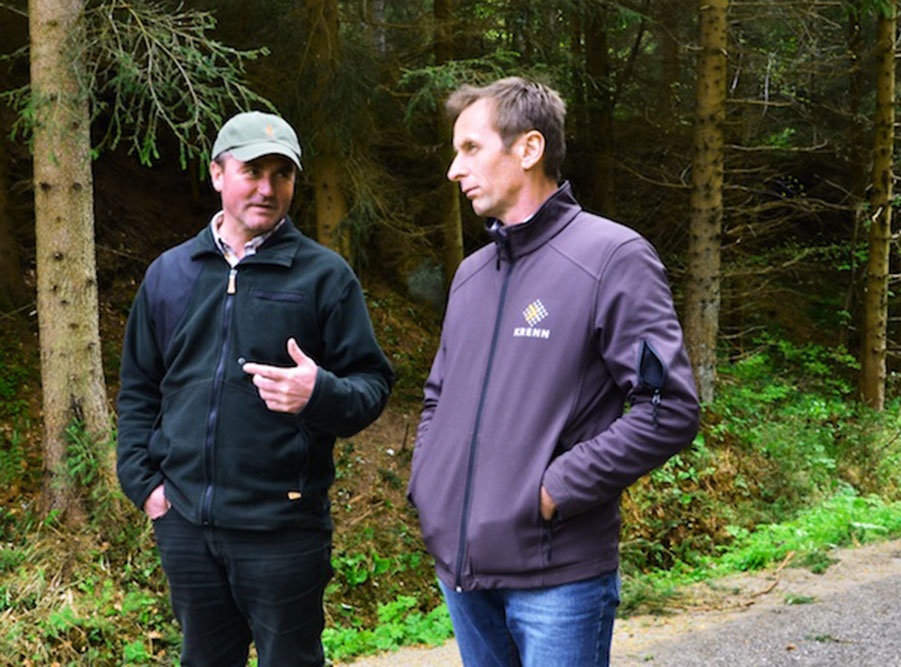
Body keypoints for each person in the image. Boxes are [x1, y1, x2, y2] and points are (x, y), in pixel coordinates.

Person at [407, 77, 700, 666]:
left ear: (529, 148)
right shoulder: (471, 275)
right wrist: (430, 484)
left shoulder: (611, 257)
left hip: (557, 578)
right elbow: (439, 395)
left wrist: (553, 490)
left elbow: (667, 407)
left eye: (470, 149)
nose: (453, 171)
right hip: (464, 572)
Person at [116, 111, 393, 666]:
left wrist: (318, 394)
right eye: (252, 171)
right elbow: (139, 388)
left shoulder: (324, 276)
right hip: (187, 524)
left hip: (283, 528)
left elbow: (372, 384)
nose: (267, 188)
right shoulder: (170, 274)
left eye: (281, 174)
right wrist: (143, 483)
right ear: (218, 174)